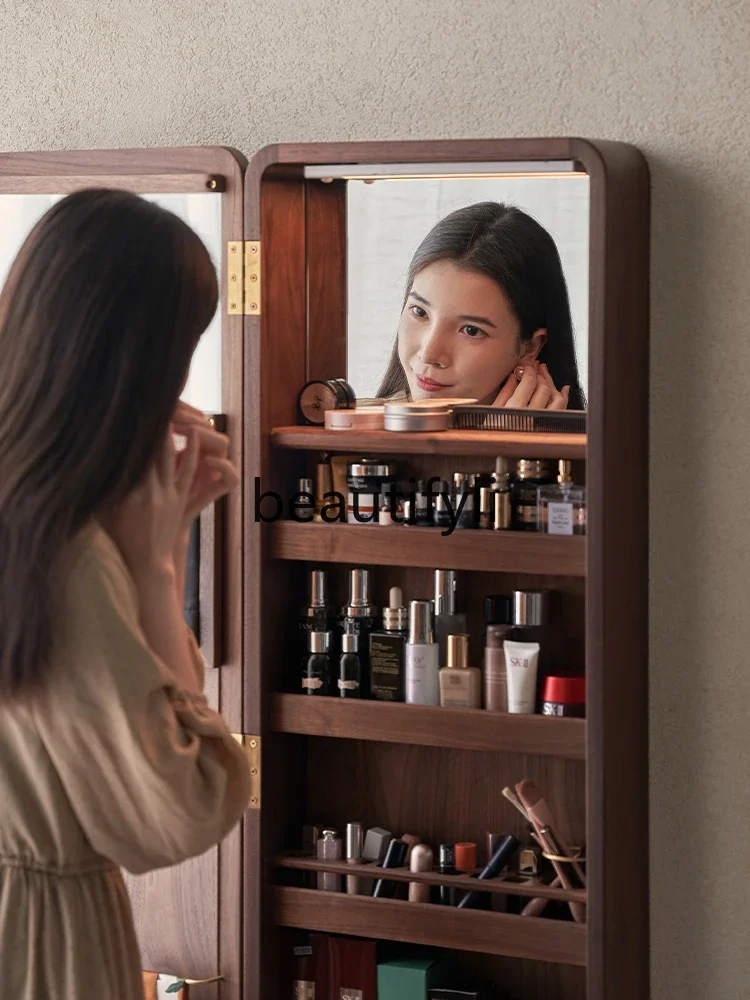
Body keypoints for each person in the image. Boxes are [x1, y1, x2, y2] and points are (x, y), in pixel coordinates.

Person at [0, 189, 251, 999]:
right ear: (145, 368)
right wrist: (157, 570)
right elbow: (177, 811)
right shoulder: (64, 555)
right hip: (37, 948)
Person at [376, 201, 585, 410]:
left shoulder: (597, 443)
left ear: (529, 348)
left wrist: (506, 441)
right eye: (419, 312)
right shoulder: (355, 434)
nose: (429, 354)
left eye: (471, 330)